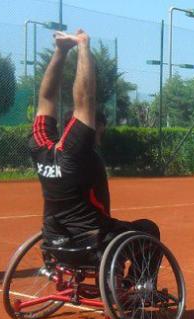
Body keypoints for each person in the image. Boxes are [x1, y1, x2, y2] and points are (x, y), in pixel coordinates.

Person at [30, 30, 159, 251]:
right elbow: (84, 98)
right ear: (93, 127)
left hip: (54, 241)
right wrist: (83, 46)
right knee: (148, 229)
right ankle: (139, 284)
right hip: (92, 241)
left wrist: (60, 52)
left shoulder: (39, 145)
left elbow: (46, 98)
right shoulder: (75, 150)